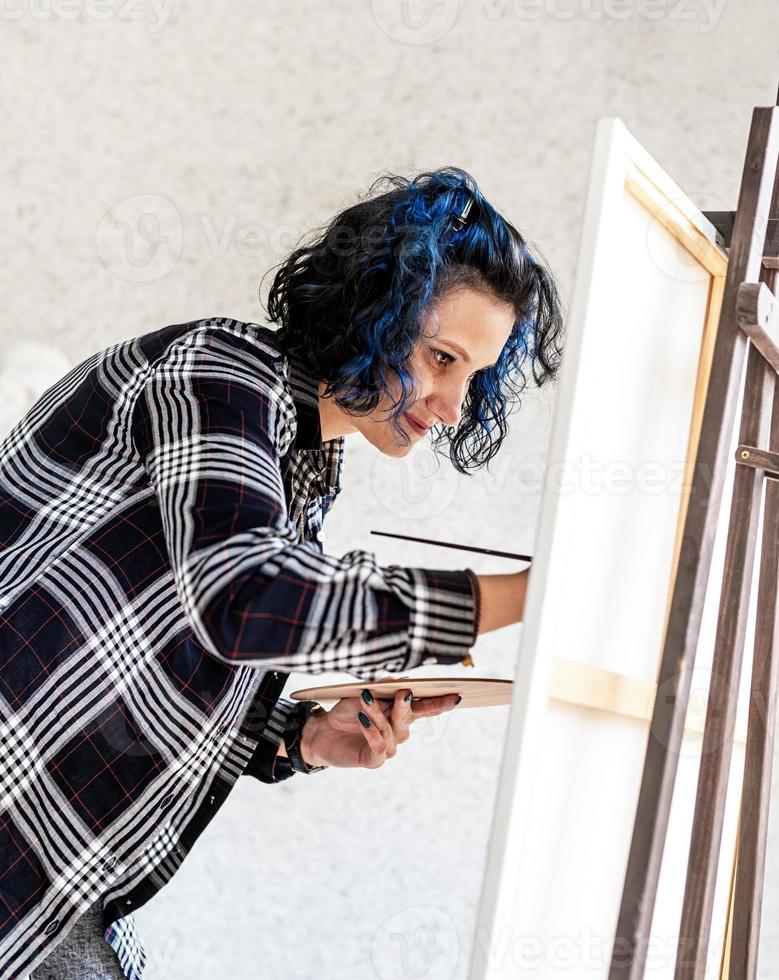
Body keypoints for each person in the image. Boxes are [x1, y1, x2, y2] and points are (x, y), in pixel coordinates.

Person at [1, 166, 564, 979]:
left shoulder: (305, 468)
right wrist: (518, 598)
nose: (449, 407)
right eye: (441, 357)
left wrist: (301, 739)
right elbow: (245, 597)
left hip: (57, 883)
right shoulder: (218, 373)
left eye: (471, 379)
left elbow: (181, 660)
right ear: (371, 308)